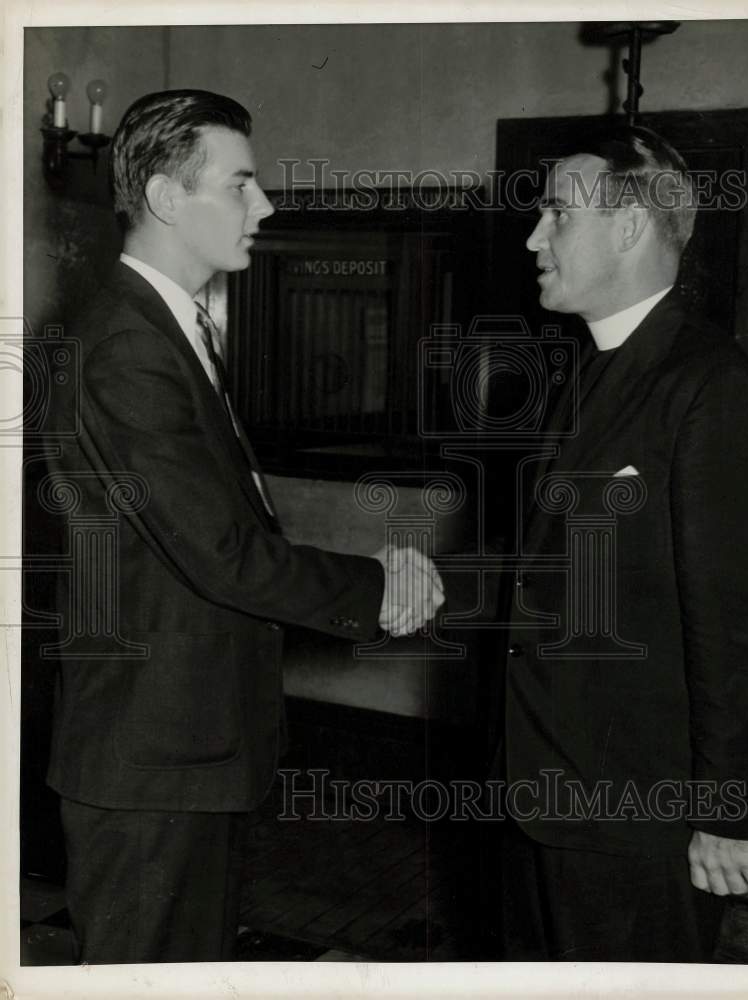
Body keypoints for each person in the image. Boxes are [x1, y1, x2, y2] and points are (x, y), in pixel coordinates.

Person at [43, 89, 443, 964]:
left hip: (190, 747)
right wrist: (378, 588)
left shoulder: (171, 328)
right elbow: (219, 553)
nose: (264, 205)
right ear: (163, 198)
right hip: (152, 761)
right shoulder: (124, 344)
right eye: (241, 184)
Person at [500, 126, 748, 962]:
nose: (534, 235)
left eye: (556, 212)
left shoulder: (711, 388)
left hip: (640, 814)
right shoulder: (587, 368)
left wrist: (729, 809)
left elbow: (736, 625)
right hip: (548, 793)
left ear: (628, 228)